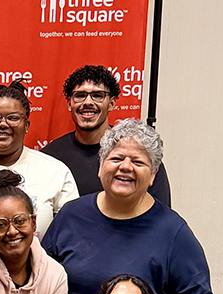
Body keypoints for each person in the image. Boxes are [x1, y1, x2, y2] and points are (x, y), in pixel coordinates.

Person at [43, 118, 213, 294]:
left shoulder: (174, 233)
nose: (125, 167)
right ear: (101, 166)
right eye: (117, 158)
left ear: (153, 174)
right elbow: (41, 281)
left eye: (138, 162)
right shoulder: (70, 217)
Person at [0, 80, 78, 242]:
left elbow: (72, 235)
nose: (3, 124)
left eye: (13, 118)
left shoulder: (55, 172)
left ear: (26, 125)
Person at [42, 65, 171, 204]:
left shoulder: (139, 154)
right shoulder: (50, 157)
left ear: (111, 103)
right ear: (69, 104)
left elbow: (161, 214)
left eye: (97, 95)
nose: (88, 102)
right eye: (80, 95)